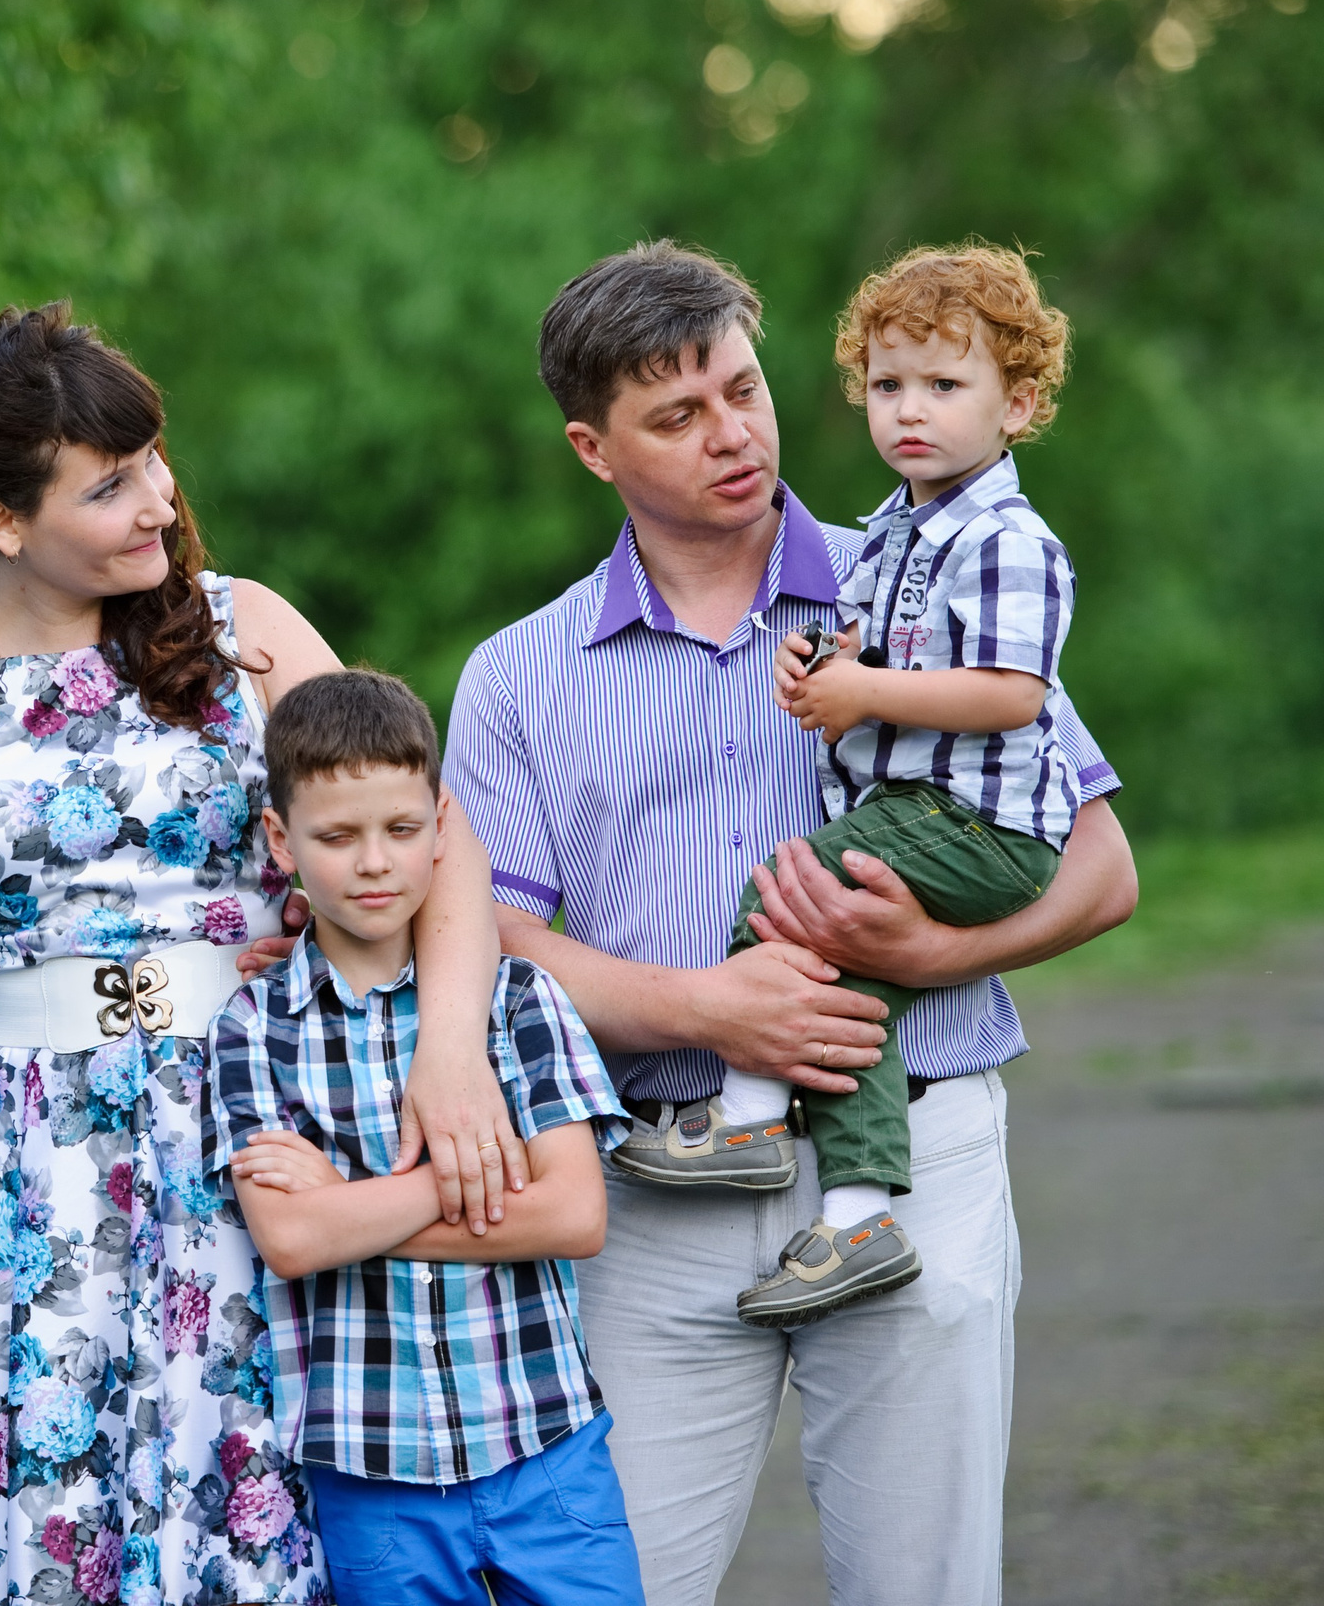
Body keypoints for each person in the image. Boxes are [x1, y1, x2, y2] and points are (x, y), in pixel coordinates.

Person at [445, 240, 1139, 1606]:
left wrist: (936, 955)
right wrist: (708, 1009)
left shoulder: (922, 582)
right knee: (614, 1589)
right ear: (594, 448)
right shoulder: (518, 675)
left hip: (917, 1154)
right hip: (656, 1186)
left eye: (742, 392)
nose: (732, 436)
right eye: (678, 415)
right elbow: (489, 947)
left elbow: (1103, 867)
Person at [0, 302, 522, 1606]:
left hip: (260, 1118)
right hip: (38, 1164)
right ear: (5, 521)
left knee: (264, 1499)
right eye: (110, 486)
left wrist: (450, 1052)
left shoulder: (244, 632)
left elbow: (444, 853)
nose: (161, 501)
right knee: (56, 1509)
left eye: (155, 459)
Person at [682, 244, 1080, 1329]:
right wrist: (820, 671)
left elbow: (1006, 696)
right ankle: (856, 1217)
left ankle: (751, 1117)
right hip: (915, 811)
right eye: (888, 385)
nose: (911, 411)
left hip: (978, 822)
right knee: (843, 996)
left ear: (1019, 403)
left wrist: (867, 692)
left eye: (946, 387)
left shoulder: (1005, 539)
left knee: (783, 891)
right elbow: (863, 649)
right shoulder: (895, 528)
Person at [210, 669, 641, 1606]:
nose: (374, 862)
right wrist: (465, 1185)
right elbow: (290, 1241)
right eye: (337, 836)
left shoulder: (517, 999)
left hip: (546, 1449)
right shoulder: (254, 1025)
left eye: (402, 831)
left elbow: (572, 1213)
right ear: (281, 841)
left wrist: (342, 1205)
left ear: (442, 827)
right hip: (374, 1477)